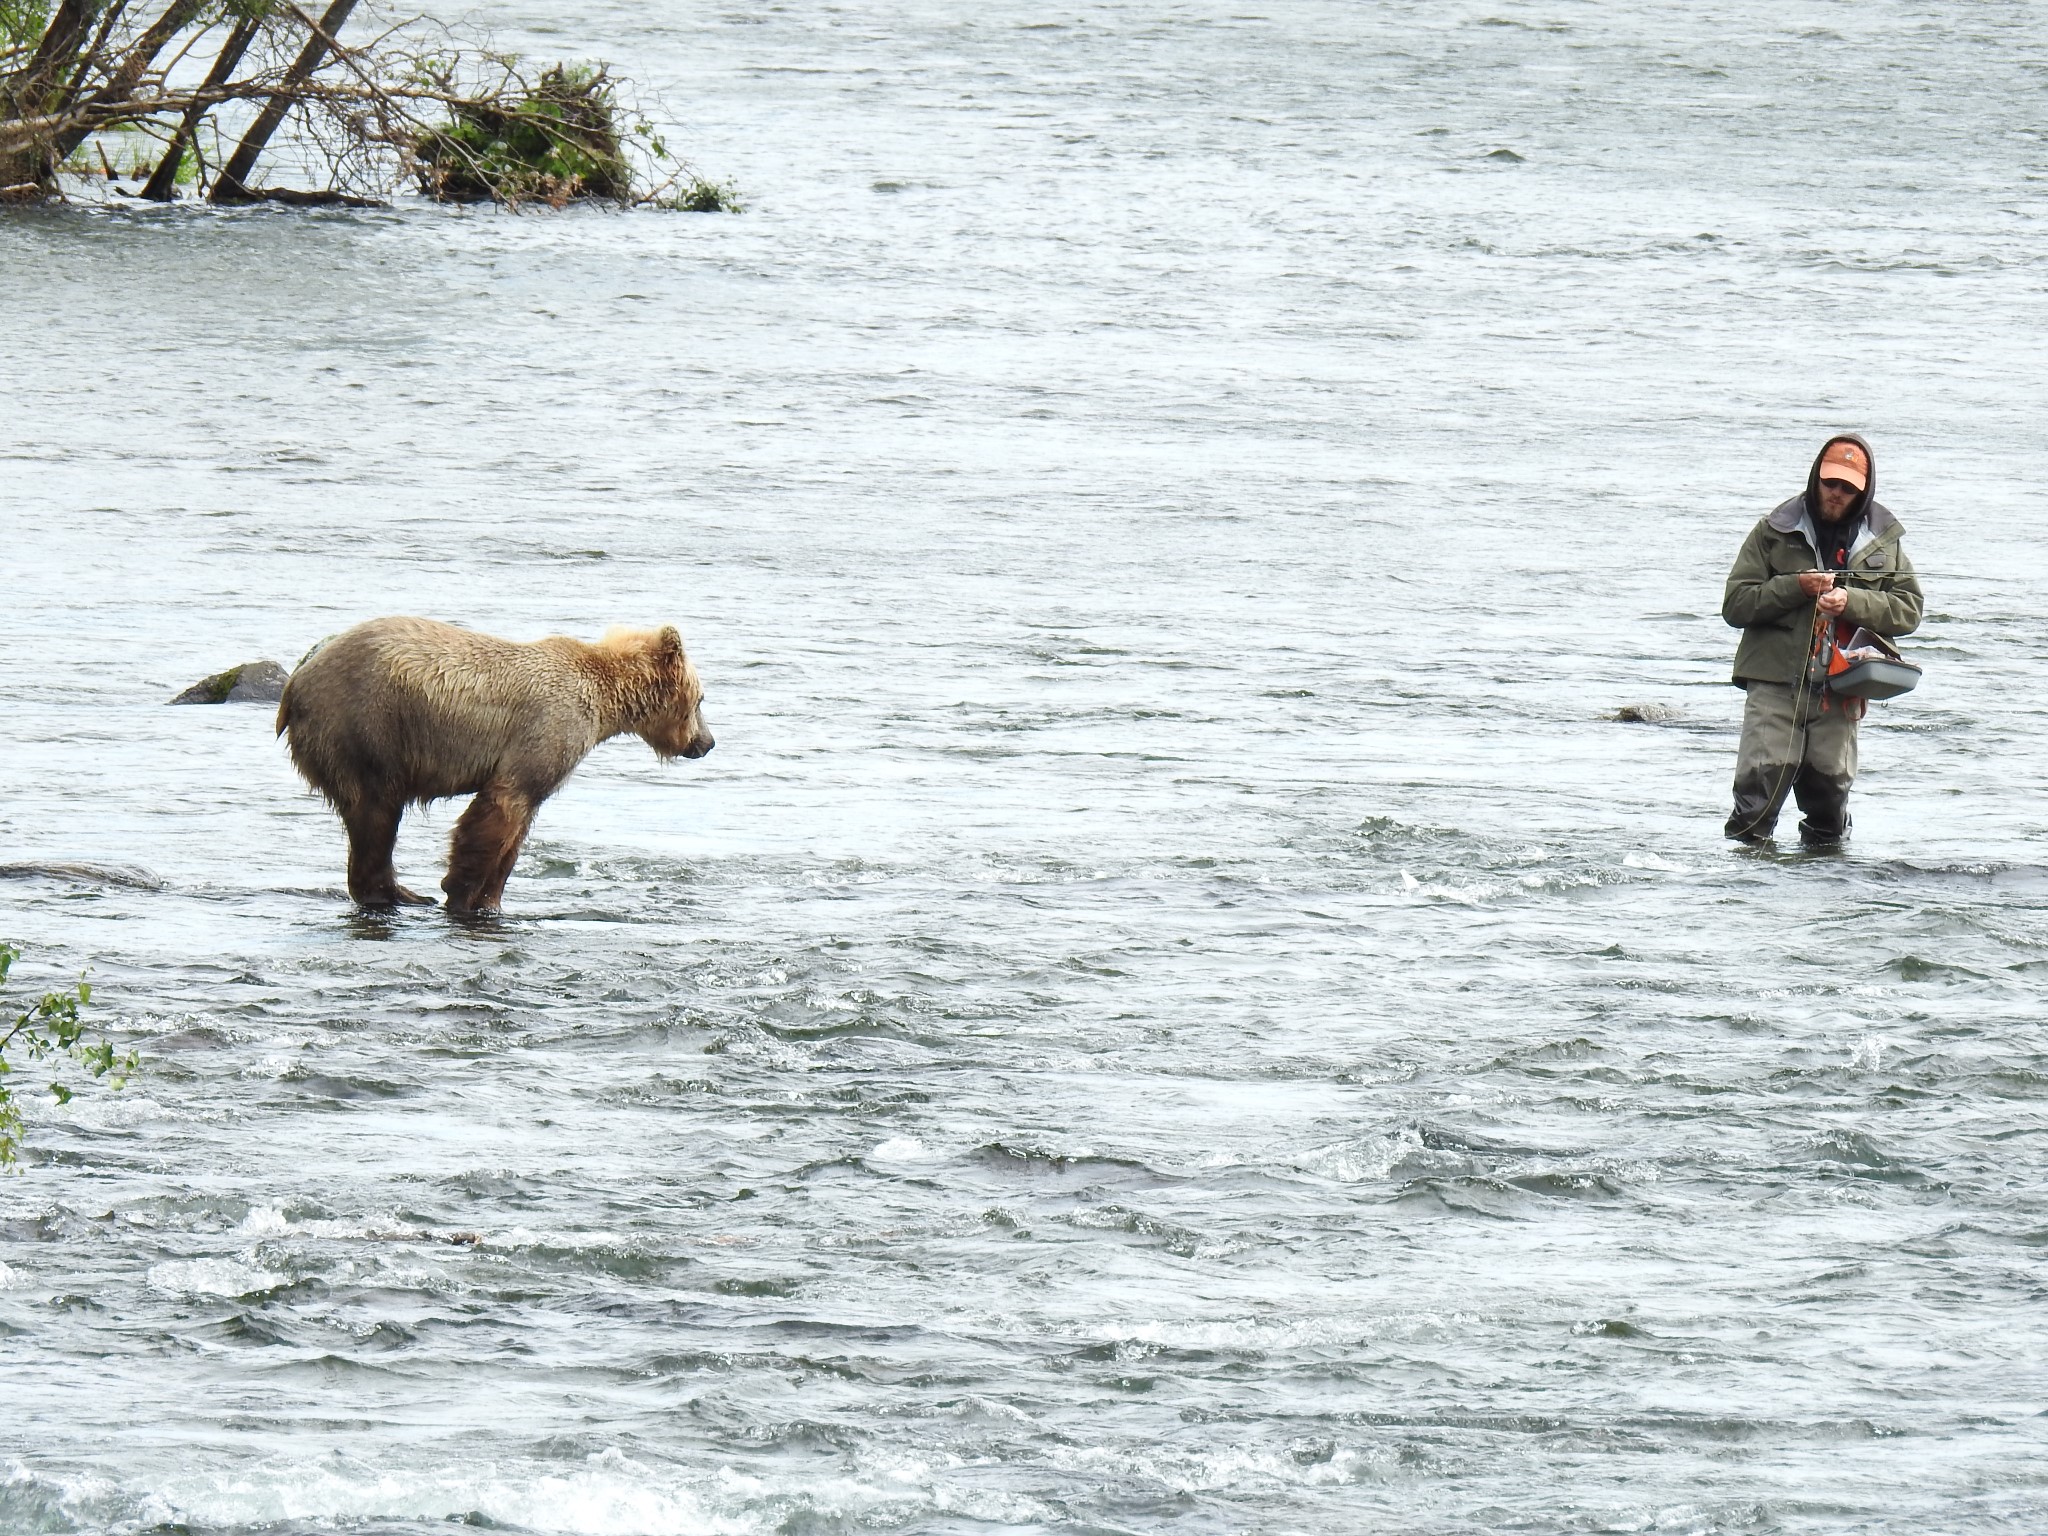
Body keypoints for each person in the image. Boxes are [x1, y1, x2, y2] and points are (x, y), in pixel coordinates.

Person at [1721, 434, 1923, 845]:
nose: (1837, 493)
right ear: (1816, 478)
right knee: (1754, 805)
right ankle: (1741, 897)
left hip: (1842, 689)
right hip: (1774, 684)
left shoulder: (1884, 540)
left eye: (1849, 487)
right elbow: (1736, 605)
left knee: (1829, 808)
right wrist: (1795, 587)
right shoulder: (1772, 530)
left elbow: (1908, 610)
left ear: (1863, 491)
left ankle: (1826, 897)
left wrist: (1852, 602)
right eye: (1831, 483)